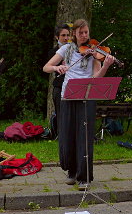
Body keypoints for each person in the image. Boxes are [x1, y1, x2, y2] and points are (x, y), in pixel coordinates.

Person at [43, 19, 116, 190]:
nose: (84, 36)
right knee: (68, 134)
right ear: (74, 34)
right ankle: (72, 172)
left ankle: (85, 177)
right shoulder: (66, 49)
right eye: (81, 33)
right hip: (67, 96)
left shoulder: (94, 52)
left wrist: (105, 66)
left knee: (84, 136)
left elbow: (97, 78)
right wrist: (57, 69)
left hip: (87, 96)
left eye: (86, 33)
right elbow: (46, 67)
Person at [49, 23, 72, 135]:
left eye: (68, 35)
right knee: (61, 112)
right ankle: (62, 134)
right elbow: (51, 67)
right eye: (63, 35)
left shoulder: (75, 50)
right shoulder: (53, 52)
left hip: (73, 85)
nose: (66, 38)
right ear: (57, 37)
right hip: (60, 85)